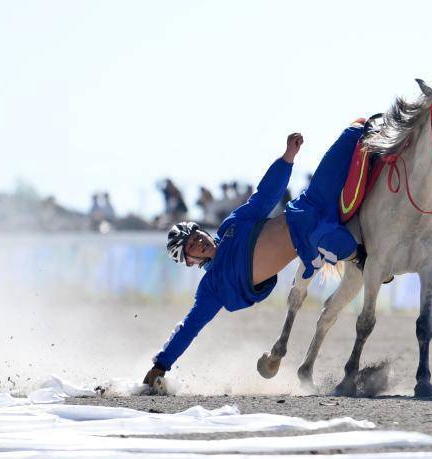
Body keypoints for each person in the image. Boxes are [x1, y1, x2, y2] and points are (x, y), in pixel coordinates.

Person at [142, 127, 362, 387]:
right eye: (191, 245)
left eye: (197, 235)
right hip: (316, 238)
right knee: (356, 251)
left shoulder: (231, 225)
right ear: (190, 261)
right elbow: (190, 326)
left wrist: (288, 157)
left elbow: (264, 197)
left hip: (310, 204)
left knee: (353, 133)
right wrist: (161, 364)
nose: (199, 241)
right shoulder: (213, 287)